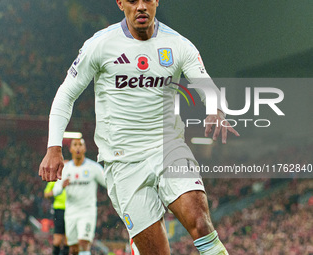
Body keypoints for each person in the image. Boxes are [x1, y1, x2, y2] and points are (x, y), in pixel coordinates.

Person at [39, 0, 240, 254]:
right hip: (123, 161)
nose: (141, 6)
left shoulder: (178, 44)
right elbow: (66, 94)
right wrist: (54, 147)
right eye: (133, 0)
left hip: (170, 149)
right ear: (120, 3)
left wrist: (215, 109)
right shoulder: (100, 44)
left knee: (201, 224)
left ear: (157, 1)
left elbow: (205, 84)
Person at [53, 138, 106, 255]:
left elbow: (107, 183)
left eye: (80, 145)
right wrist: (62, 185)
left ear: (84, 148)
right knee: (73, 248)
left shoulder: (93, 168)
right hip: (71, 213)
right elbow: (55, 191)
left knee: (84, 243)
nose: (77, 147)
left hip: (87, 212)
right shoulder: (66, 169)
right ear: (71, 149)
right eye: (75, 145)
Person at [44, 182, 69, 255]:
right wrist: (55, 191)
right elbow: (46, 194)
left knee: (67, 239)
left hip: (72, 210)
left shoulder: (71, 175)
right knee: (58, 239)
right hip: (59, 210)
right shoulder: (55, 180)